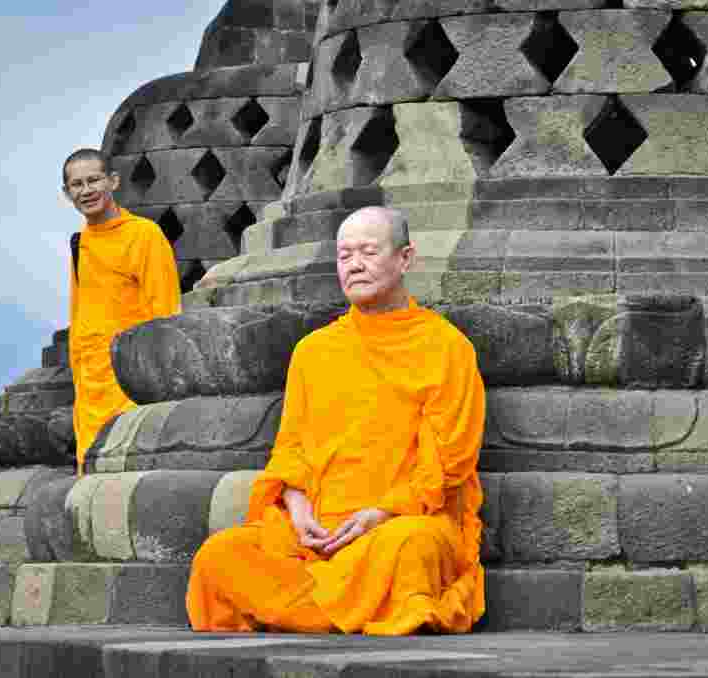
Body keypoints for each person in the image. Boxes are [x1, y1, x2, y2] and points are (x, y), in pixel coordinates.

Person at [185, 206, 486, 635]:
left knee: (412, 547)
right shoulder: (314, 351)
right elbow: (289, 448)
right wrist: (297, 505)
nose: (355, 265)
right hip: (316, 532)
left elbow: (449, 462)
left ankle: (301, 612)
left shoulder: (446, 348)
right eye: (345, 256)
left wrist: (380, 512)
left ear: (405, 258)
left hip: (395, 523)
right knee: (220, 556)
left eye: (367, 251)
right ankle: (347, 609)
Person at [63, 148, 181, 474]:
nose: (86, 191)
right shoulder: (79, 244)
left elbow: (166, 316)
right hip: (90, 390)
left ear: (112, 181)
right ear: (67, 193)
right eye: (76, 185)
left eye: (93, 180)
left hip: (132, 386)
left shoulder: (144, 236)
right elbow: (79, 321)